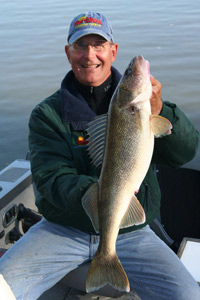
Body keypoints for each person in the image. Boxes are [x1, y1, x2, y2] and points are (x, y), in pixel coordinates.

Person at [0, 11, 199, 300]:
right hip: (63, 228)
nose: (89, 55)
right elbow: (50, 180)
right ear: (69, 53)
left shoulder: (146, 109)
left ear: (113, 51)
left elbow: (184, 154)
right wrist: (99, 197)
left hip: (133, 233)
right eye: (80, 46)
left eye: (99, 45)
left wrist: (162, 111)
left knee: (187, 295)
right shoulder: (47, 114)